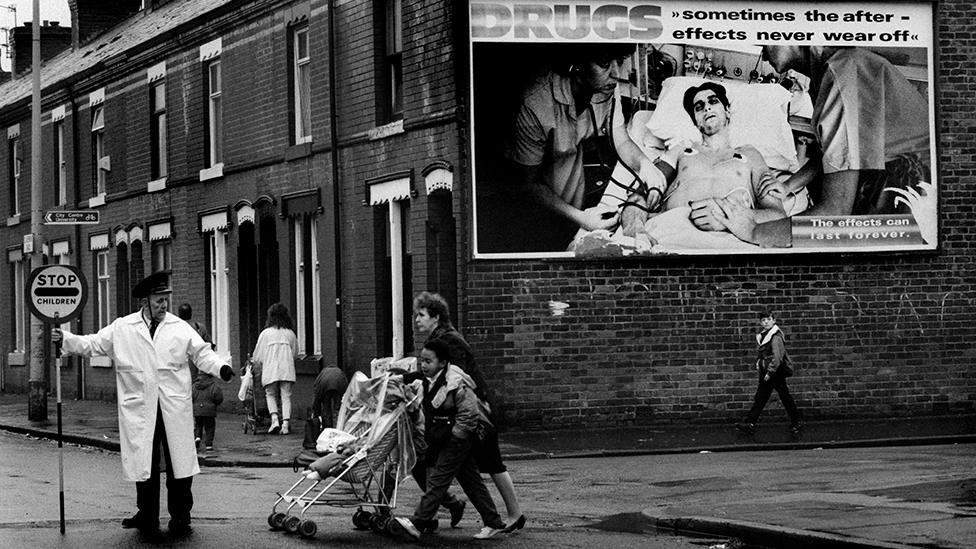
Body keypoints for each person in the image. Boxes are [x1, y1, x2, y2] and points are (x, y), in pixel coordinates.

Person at [51, 271, 235, 536]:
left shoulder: (178, 327)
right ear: (145, 301)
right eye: (159, 300)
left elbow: (202, 353)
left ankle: (181, 515)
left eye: (165, 299)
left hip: (173, 405)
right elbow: (93, 344)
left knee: (178, 462)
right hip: (140, 406)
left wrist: (222, 368)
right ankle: (146, 514)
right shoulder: (123, 327)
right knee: (144, 461)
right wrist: (66, 339)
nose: (164, 305)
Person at [699, 46, 931, 247]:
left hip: (917, 200)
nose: (763, 53)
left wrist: (752, 230)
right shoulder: (834, 71)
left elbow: (834, 214)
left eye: (765, 39)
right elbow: (839, 154)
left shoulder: (843, 73)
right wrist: (789, 185)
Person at [507, 43, 665, 251]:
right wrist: (580, 217)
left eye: (619, 62)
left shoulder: (604, 88)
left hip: (570, 180)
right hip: (531, 200)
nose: (617, 74)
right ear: (577, 64)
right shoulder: (535, 103)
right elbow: (529, 182)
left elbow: (622, 140)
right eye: (604, 63)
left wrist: (645, 165)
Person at [412, 291, 525, 532]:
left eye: (421, 315)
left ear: (436, 317)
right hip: (461, 416)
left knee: (491, 462)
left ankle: (513, 514)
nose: (417, 320)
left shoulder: (449, 340)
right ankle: (481, 514)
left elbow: (455, 377)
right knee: (467, 469)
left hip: (475, 412)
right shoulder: (439, 338)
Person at [624, 82, 787, 247]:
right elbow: (640, 195)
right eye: (699, 107)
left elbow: (778, 215)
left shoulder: (750, 154)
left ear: (727, 111)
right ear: (696, 121)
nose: (707, 108)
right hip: (669, 235)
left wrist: (728, 218)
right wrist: (635, 229)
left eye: (713, 101)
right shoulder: (680, 151)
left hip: (732, 238)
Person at [395, 339, 507, 540]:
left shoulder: (455, 382)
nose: (424, 365)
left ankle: (418, 522)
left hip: (456, 441)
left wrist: (457, 436)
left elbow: (469, 412)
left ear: (442, 362)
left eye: (429, 361)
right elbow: (417, 388)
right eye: (422, 361)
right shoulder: (429, 379)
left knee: (438, 480)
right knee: (471, 482)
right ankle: (494, 522)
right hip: (443, 439)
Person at [735, 312, 802, 437]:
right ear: (760, 322)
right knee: (764, 396)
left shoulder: (775, 336)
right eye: (763, 320)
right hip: (769, 371)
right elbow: (764, 354)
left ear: (773, 321)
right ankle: (750, 423)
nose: (766, 322)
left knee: (781, 396)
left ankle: (796, 421)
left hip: (775, 371)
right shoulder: (764, 335)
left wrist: (769, 373)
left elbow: (777, 357)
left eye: (768, 319)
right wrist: (759, 363)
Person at [251, 302, 299, 435]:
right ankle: (286, 424)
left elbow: (258, 356)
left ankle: (274, 420)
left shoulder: (265, 334)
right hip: (286, 369)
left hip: (271, 369)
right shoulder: (290, 334)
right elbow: (295, 353)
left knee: (270, 394)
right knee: (286, 396)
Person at [178, 303, 212, 377]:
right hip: (197, 364)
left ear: (179, 315)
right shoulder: (199, 327)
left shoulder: (175, 329)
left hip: (181, 364)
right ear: (191, 313)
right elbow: (210, 346)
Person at [192, 371, 223, 452]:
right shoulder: (213, 386)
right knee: (209, 427)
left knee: (198, 424)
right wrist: (214, 404)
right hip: (209, 410)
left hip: (197, 410)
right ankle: (208, 445)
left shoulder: (194, 386)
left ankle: (197, 437)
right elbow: (218, 398)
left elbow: (191, 397)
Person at [311, 363, 348, 428]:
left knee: (326, 408)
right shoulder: (340, 372)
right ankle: (337, 427)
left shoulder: (322, 374)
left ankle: (328, 428)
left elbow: (316, 394)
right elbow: (345, 386)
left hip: (325, 386)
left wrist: (316, 412)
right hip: (338, 386)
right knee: (337, 409)